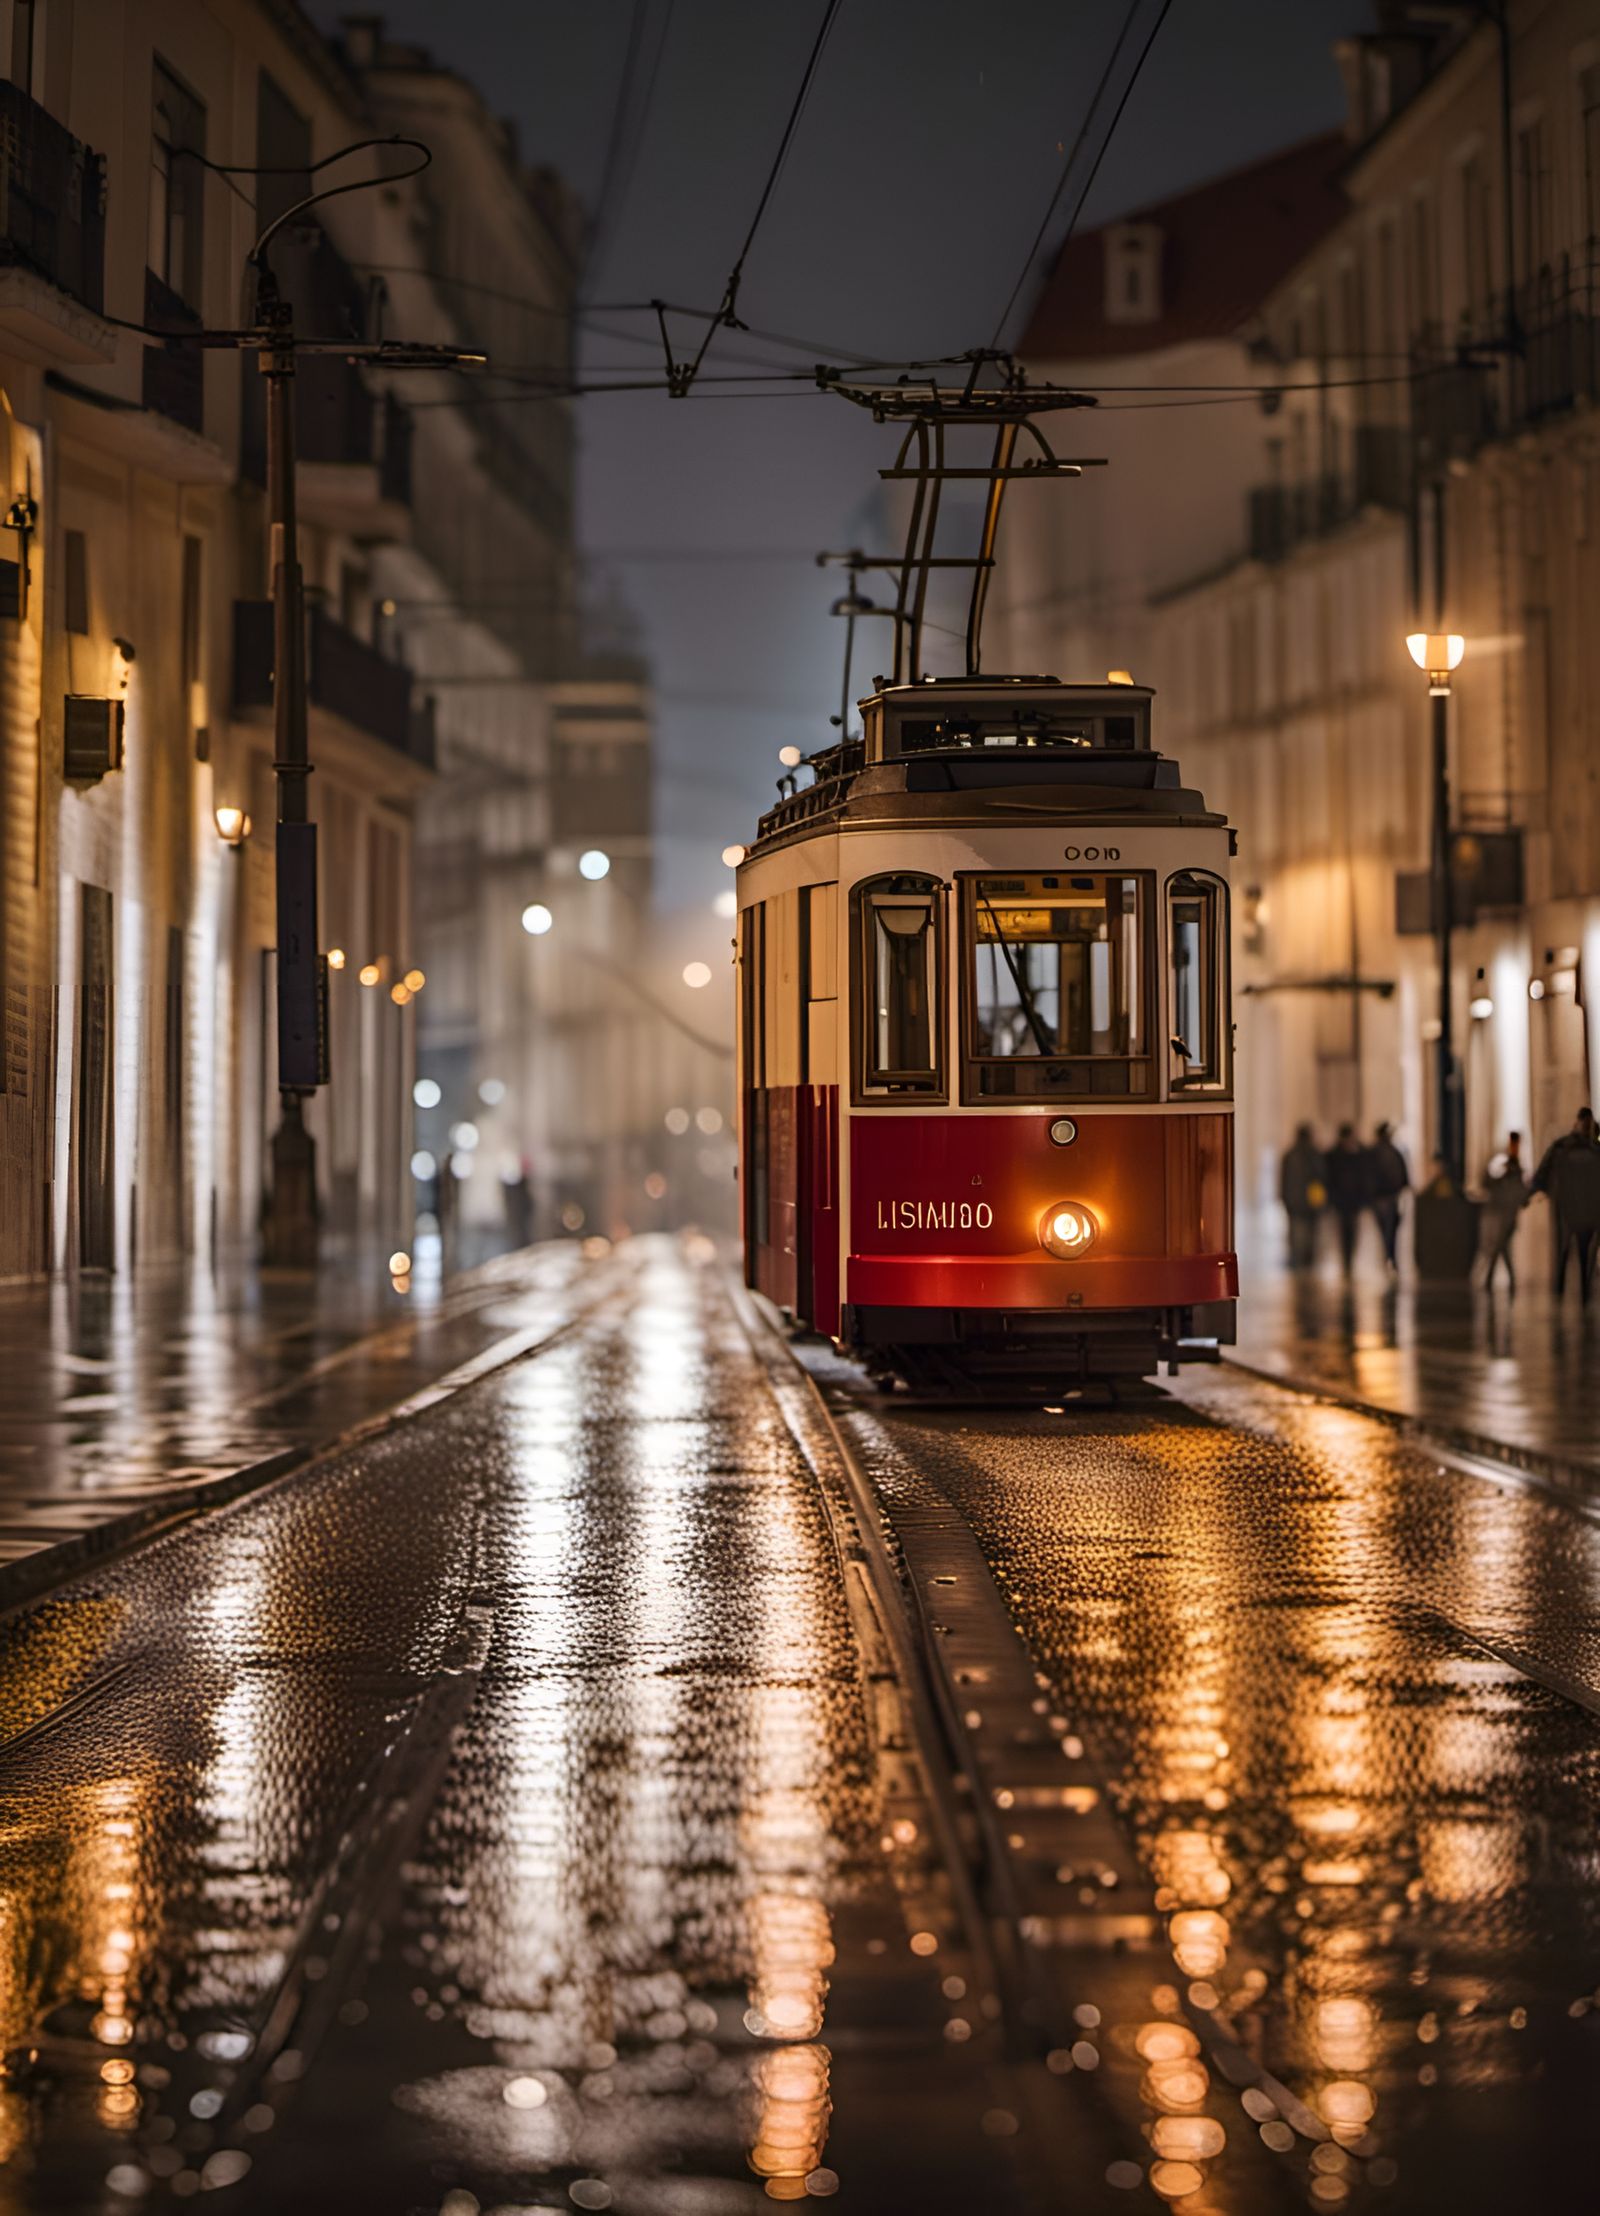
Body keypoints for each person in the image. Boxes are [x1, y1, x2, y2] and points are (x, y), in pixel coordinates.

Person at [1532, 1107, 1600, 1300]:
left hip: (1578, 1208)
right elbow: (1543, 1172)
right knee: (1569, 1251)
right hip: (1573, 1207)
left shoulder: (1565, 1146)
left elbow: (1542, 1173)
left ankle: (1571, 1293)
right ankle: (1568, 1292)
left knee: (1576, 1252)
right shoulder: (1563, 1147)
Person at [1324, 1123, 1376, 1277]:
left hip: (1353, 1201)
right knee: (1343, 1231)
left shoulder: (1358, 1154)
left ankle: (1349, 1260)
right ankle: (1346, 1260)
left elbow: (1365, 1177)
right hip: (1342, 1201)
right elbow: (1328, 1179)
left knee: (1352, 1231)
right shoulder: (1334, 1156)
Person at [1480, 1131, 1527, 1293]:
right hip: (1501, 1213)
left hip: (1508, 1213)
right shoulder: (1502, 1164)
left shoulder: (1516, 1167)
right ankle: (1496, 1279)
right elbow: (1488, 1182)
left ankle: (1490, 1278)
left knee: (1501, 1245)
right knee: (1502, 1246)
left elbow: (1520, 1192)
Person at [1280, 1124, 1326, 1270]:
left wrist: (1284, 1197)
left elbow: (1284, 1179)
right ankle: (1307, 1260)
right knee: (1311, 1233)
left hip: (1294, 1202)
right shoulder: (1315, 1154)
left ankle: (1297, 1260)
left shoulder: (1289, 1155)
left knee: (1296, 1233)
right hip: (1311, 1201)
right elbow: (1322, 1177)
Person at [1369, 1121, 1410, 1273]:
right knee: (1391, 1229)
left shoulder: (1373, 1153)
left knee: (1385, 1229)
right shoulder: (1394, 1152)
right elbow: (1404, 1176)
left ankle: (1388, 1256)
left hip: (1380, 1197)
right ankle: (1390, 1257)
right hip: (1390, 1196)